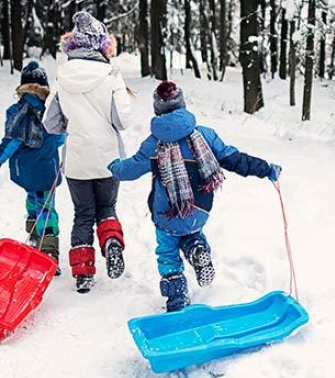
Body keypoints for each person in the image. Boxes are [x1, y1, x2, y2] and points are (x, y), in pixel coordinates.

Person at [108, 81, 281, 312]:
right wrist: (266, 168)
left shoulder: (153, 144)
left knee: (168, 253)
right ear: (182, 104)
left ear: (157, 110)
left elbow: (130, 169)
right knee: (191, 232)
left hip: (165, 213)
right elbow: (235, 159)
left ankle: (176, 296)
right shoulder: (205, 135)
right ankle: (197, 248)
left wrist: (112, 166)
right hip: (198, 210)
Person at [44, 11, 132, 293]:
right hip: (108, 159)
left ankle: (83, 274)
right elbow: (123, 120)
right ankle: (112, 243)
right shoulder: (111, 76)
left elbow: (51, 123)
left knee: (83, 213)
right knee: (106, 207)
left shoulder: (61, 78)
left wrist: (74, 121)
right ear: (102, 44)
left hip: (77, 162)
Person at [0, 60, 65, 274]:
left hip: (25, 171)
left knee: (32, 200)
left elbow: (11, 140)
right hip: (48, 169)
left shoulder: (16, 111)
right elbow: (60, 140)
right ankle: (48, 250)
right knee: (46, 207)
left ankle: (34, 236)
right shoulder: (52, 111)